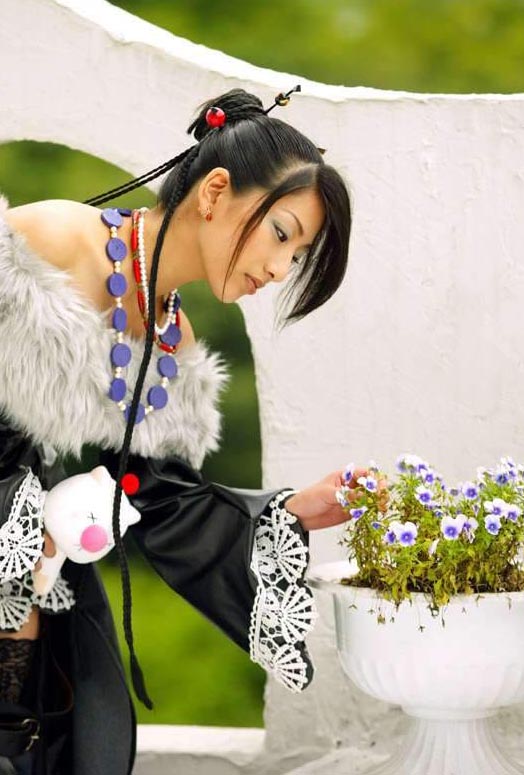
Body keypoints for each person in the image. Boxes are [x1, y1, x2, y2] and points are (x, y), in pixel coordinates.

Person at [0, 86, 370, 774]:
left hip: (26, 594)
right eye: (282, 234)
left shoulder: (173, 342)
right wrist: (20, 514)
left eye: (298, 255)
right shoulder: (52, 241)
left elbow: (163, 502)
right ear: (215, 192)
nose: (280, 269)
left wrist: (293, 511)